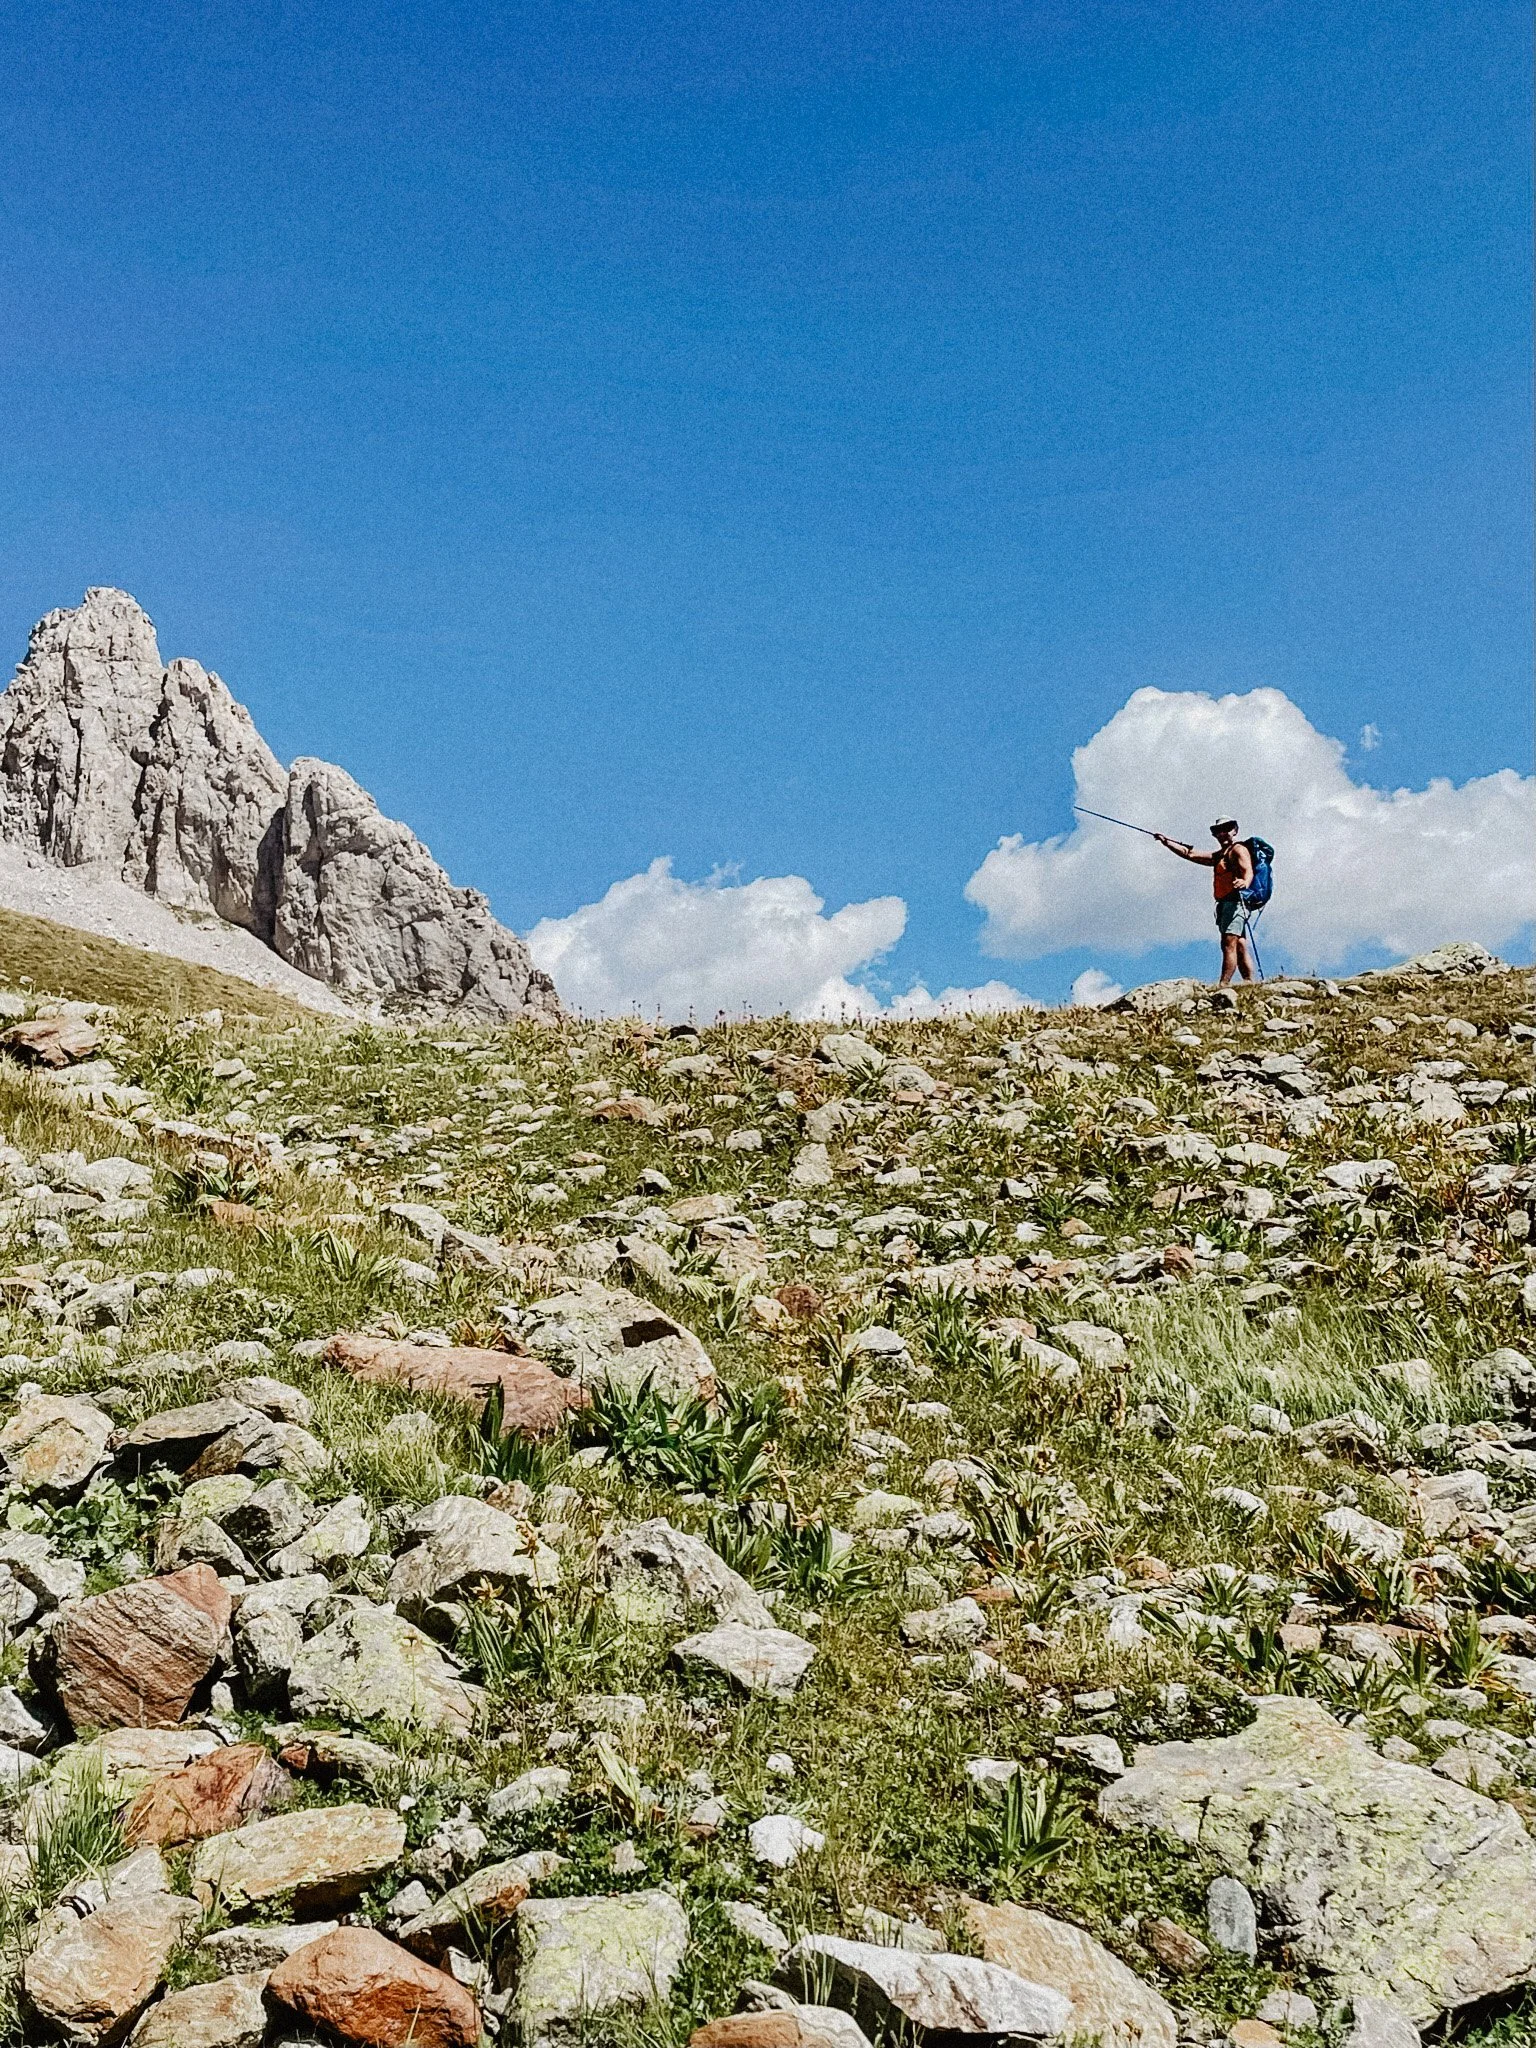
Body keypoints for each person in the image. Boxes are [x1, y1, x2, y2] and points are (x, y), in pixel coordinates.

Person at [1155, 817, 1257, 984]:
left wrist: (1245, 882)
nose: (1222, 833)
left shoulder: (1238, 849)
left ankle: (1223, 984)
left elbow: (1248, 870)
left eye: (1226, 828)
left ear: (1235, 830)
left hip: (1236, 902)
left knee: (1228, 942)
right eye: (1217, 831)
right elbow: (1191, 854)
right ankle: (1248, 981)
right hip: (1225, 904)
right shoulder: (1219, 856)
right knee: (1238, 943)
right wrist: (1166, 842)